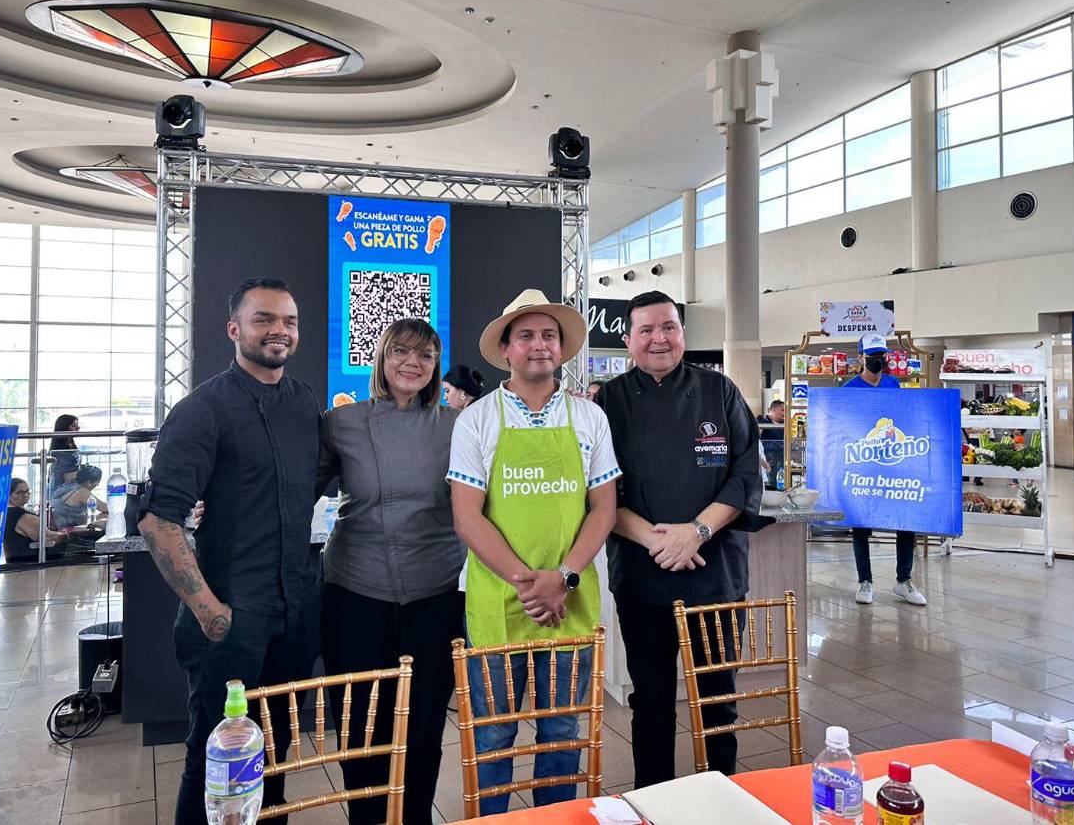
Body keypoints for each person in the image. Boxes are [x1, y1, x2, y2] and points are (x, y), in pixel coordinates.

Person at [138, 277, 322, 825]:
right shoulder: (203, 409)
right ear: (234, 329)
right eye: (264, 319)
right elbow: (158, 519)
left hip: (295, 612)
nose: (279, 331)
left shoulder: (303, 400)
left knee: (277, 749)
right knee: (215, 757)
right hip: (232, 616)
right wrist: (209, 611)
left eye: (288, 321)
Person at [448, 288, 619, 815]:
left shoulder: (591, 419)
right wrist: (531, 583)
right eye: (525, 335)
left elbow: (604, 509)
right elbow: (467, 515)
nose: (539, 345)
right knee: (495, 737)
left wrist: (562, 578)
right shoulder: (476, 419)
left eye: (549, 335)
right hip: (499, 605)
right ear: (506, 349)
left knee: (561, 737)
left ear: (562, 348)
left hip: (570, 602)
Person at [596, 290, 764, 788]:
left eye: (668, 326)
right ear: (628, 339)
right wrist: (658, 541)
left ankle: (720, 798)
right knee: (650, 703)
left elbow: (745, 474)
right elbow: (599, 491)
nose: (659, 338)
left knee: (718, 701)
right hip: (644, 578)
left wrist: (695, 532)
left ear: (682, 333)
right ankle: (655, 802)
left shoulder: (720, 391)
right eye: (645, 330)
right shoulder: (609, 402)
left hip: (714, 576)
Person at [317, 319, 462, 825]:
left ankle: (416, 816)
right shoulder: (343, 422)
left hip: (436, 593)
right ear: (381, 357)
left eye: (424, 355)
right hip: (355, 591)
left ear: (435, 364)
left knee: (422, 727)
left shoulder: (455, 424)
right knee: (360, 726)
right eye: (401, 351)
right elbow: (293, 492)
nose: (412, 363)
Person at [846, 334, 927, 607]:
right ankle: (864, 581)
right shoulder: (849, 389)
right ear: (861, 358)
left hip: (896, 462)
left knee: (905, 519)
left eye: (881, 355)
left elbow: (903, 416)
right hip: (864, 464)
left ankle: (903, 580)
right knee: (861, 522)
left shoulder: (894, 383)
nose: (879, 360)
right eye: (873, 355)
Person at [5, 478, 69, 563]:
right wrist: (66, 535)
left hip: (18, 561)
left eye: (27, 491)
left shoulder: (6, 514)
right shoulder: (22, 515)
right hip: (31, 563)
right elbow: (46, 536)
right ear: (9, 495)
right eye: (19, 492)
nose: (25, 495)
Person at [48, 414, 81, 494]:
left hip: (72, 485)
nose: (78, 428)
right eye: (73, 426)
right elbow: (65, 474)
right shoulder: (59, 451)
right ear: (64, 427)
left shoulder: (72, 445)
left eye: (77, 425)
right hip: (61, 487)